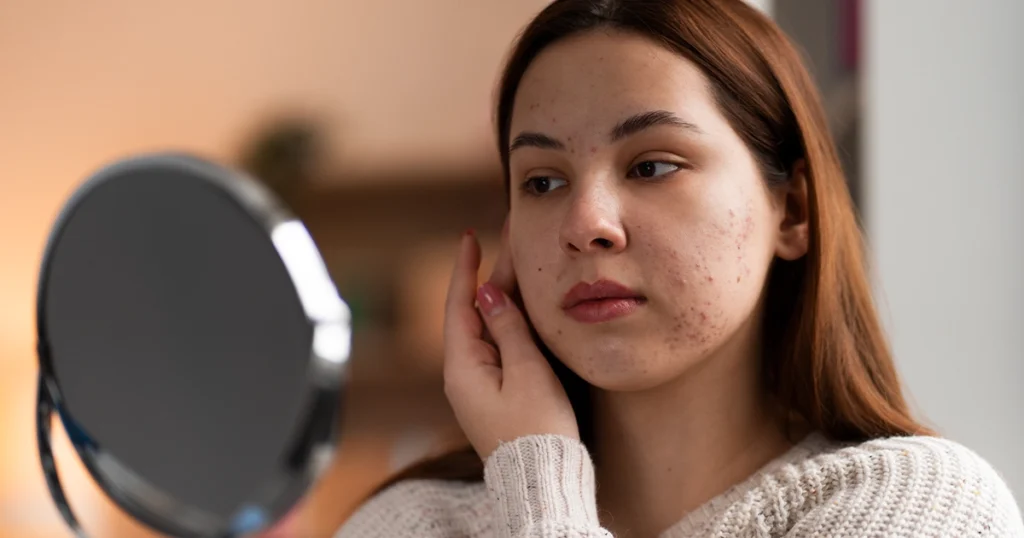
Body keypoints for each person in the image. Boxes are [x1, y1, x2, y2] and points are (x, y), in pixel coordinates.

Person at [337, 0, 1024, 536]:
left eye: (653, 166)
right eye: (543, 181)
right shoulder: (413, 524)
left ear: (793, 211)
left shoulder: (922, 506)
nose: (586, 224)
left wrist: (538, 487)